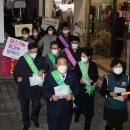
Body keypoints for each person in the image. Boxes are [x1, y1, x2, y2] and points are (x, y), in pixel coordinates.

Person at [13, 42, 48, 130]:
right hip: (24, 87)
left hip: (35, 88)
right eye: (32, 51)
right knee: (24, 107)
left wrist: (42, 70)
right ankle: (26, 123)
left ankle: (34, 118)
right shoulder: (22, 59)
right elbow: (16, 71)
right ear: (28, 51)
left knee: (37, 105)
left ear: (37, 50)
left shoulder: (40, 59)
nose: (34, 53)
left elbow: (46, 66)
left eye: (35, 51)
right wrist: (17, 77)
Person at [42, 55, 80, 130]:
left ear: (67, 65)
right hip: (53, 109)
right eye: (60, 63)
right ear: (56, 65)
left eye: (64, 63)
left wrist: (72, 95)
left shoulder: (73, 75)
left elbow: (77, 89)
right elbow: (44, 90)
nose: (62, 65)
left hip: (67, 109)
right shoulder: (50, 75)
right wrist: (51, 96)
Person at [101, 59, 130, 130]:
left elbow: (129, 91)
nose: (118, 68)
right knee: (110, 124)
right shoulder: (107, 78)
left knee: (119, 125)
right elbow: (102, 91)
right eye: (116, 66)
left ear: (123, 68)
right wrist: (110, 93)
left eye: (120, 66)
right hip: (111, 106)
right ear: (112, 68)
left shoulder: (127, 78)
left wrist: (127, 95)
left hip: (121, 107)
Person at [74, 48, 99, 130]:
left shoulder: (93, 65)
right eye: (81, 56)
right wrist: (79, 81)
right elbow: (75, 76)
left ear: (89, 57)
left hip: (89, 89)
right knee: (78, 105)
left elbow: (96, 76)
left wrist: (92, 80)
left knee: (89, 108)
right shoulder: (78, 64)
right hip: (80, 89)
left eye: (84, 56)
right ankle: (77, 115)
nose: (82, 58)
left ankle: (87, 127)